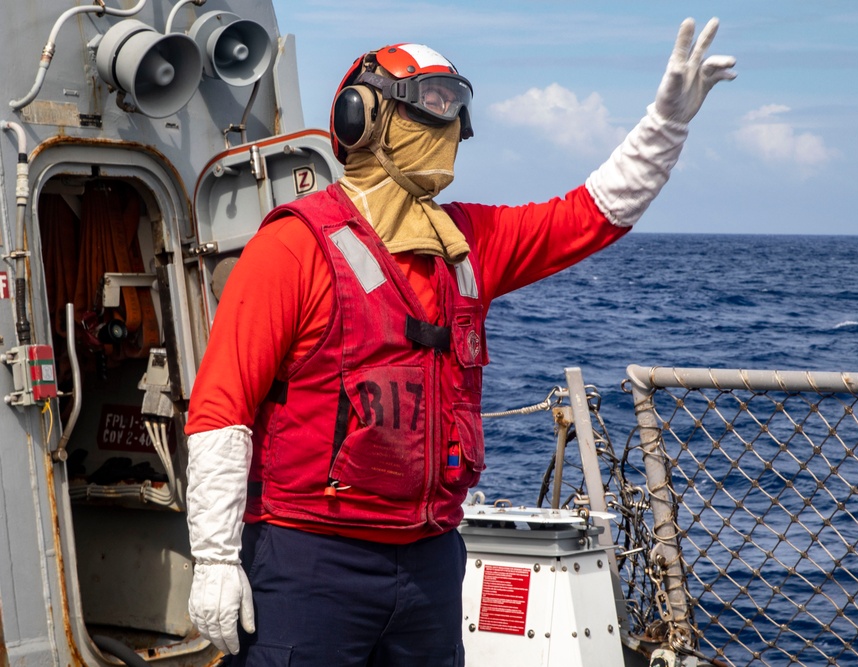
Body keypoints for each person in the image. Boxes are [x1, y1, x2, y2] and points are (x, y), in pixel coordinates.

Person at [183, 17, 736, 667]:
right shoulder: (293, 245)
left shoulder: (470, 243)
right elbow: (223, 404)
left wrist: (666, 122)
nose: (445, 131)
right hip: (310, 559)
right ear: (360, 118)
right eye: (427, 112)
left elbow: (593, 214)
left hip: (431, 559)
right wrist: (216, 557)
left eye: (452, 114)